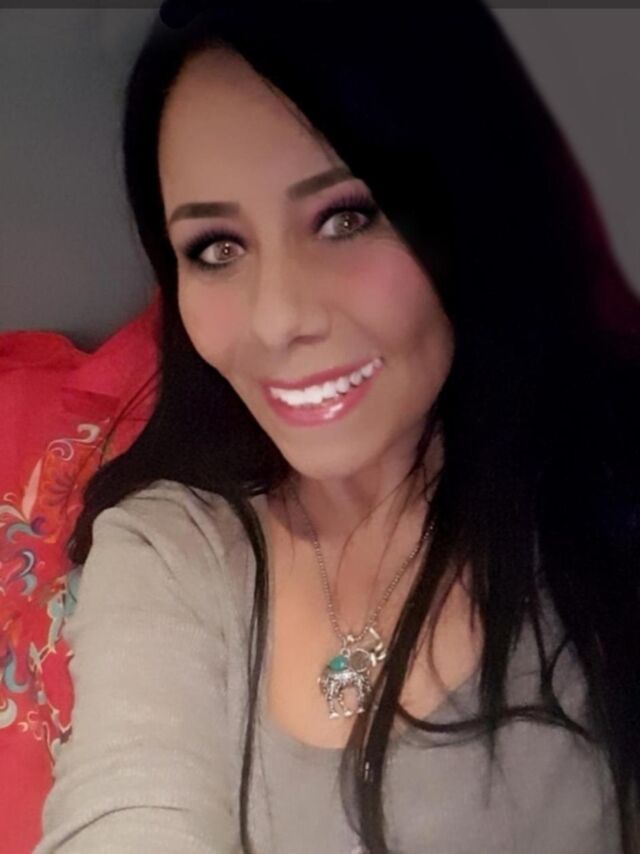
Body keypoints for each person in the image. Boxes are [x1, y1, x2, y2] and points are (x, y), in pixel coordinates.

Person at [35, 1, 640, 852]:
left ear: (467, 211)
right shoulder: (172, 546)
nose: (277, 319)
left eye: (346, 217)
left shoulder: (605, 510)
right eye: (215, 248)